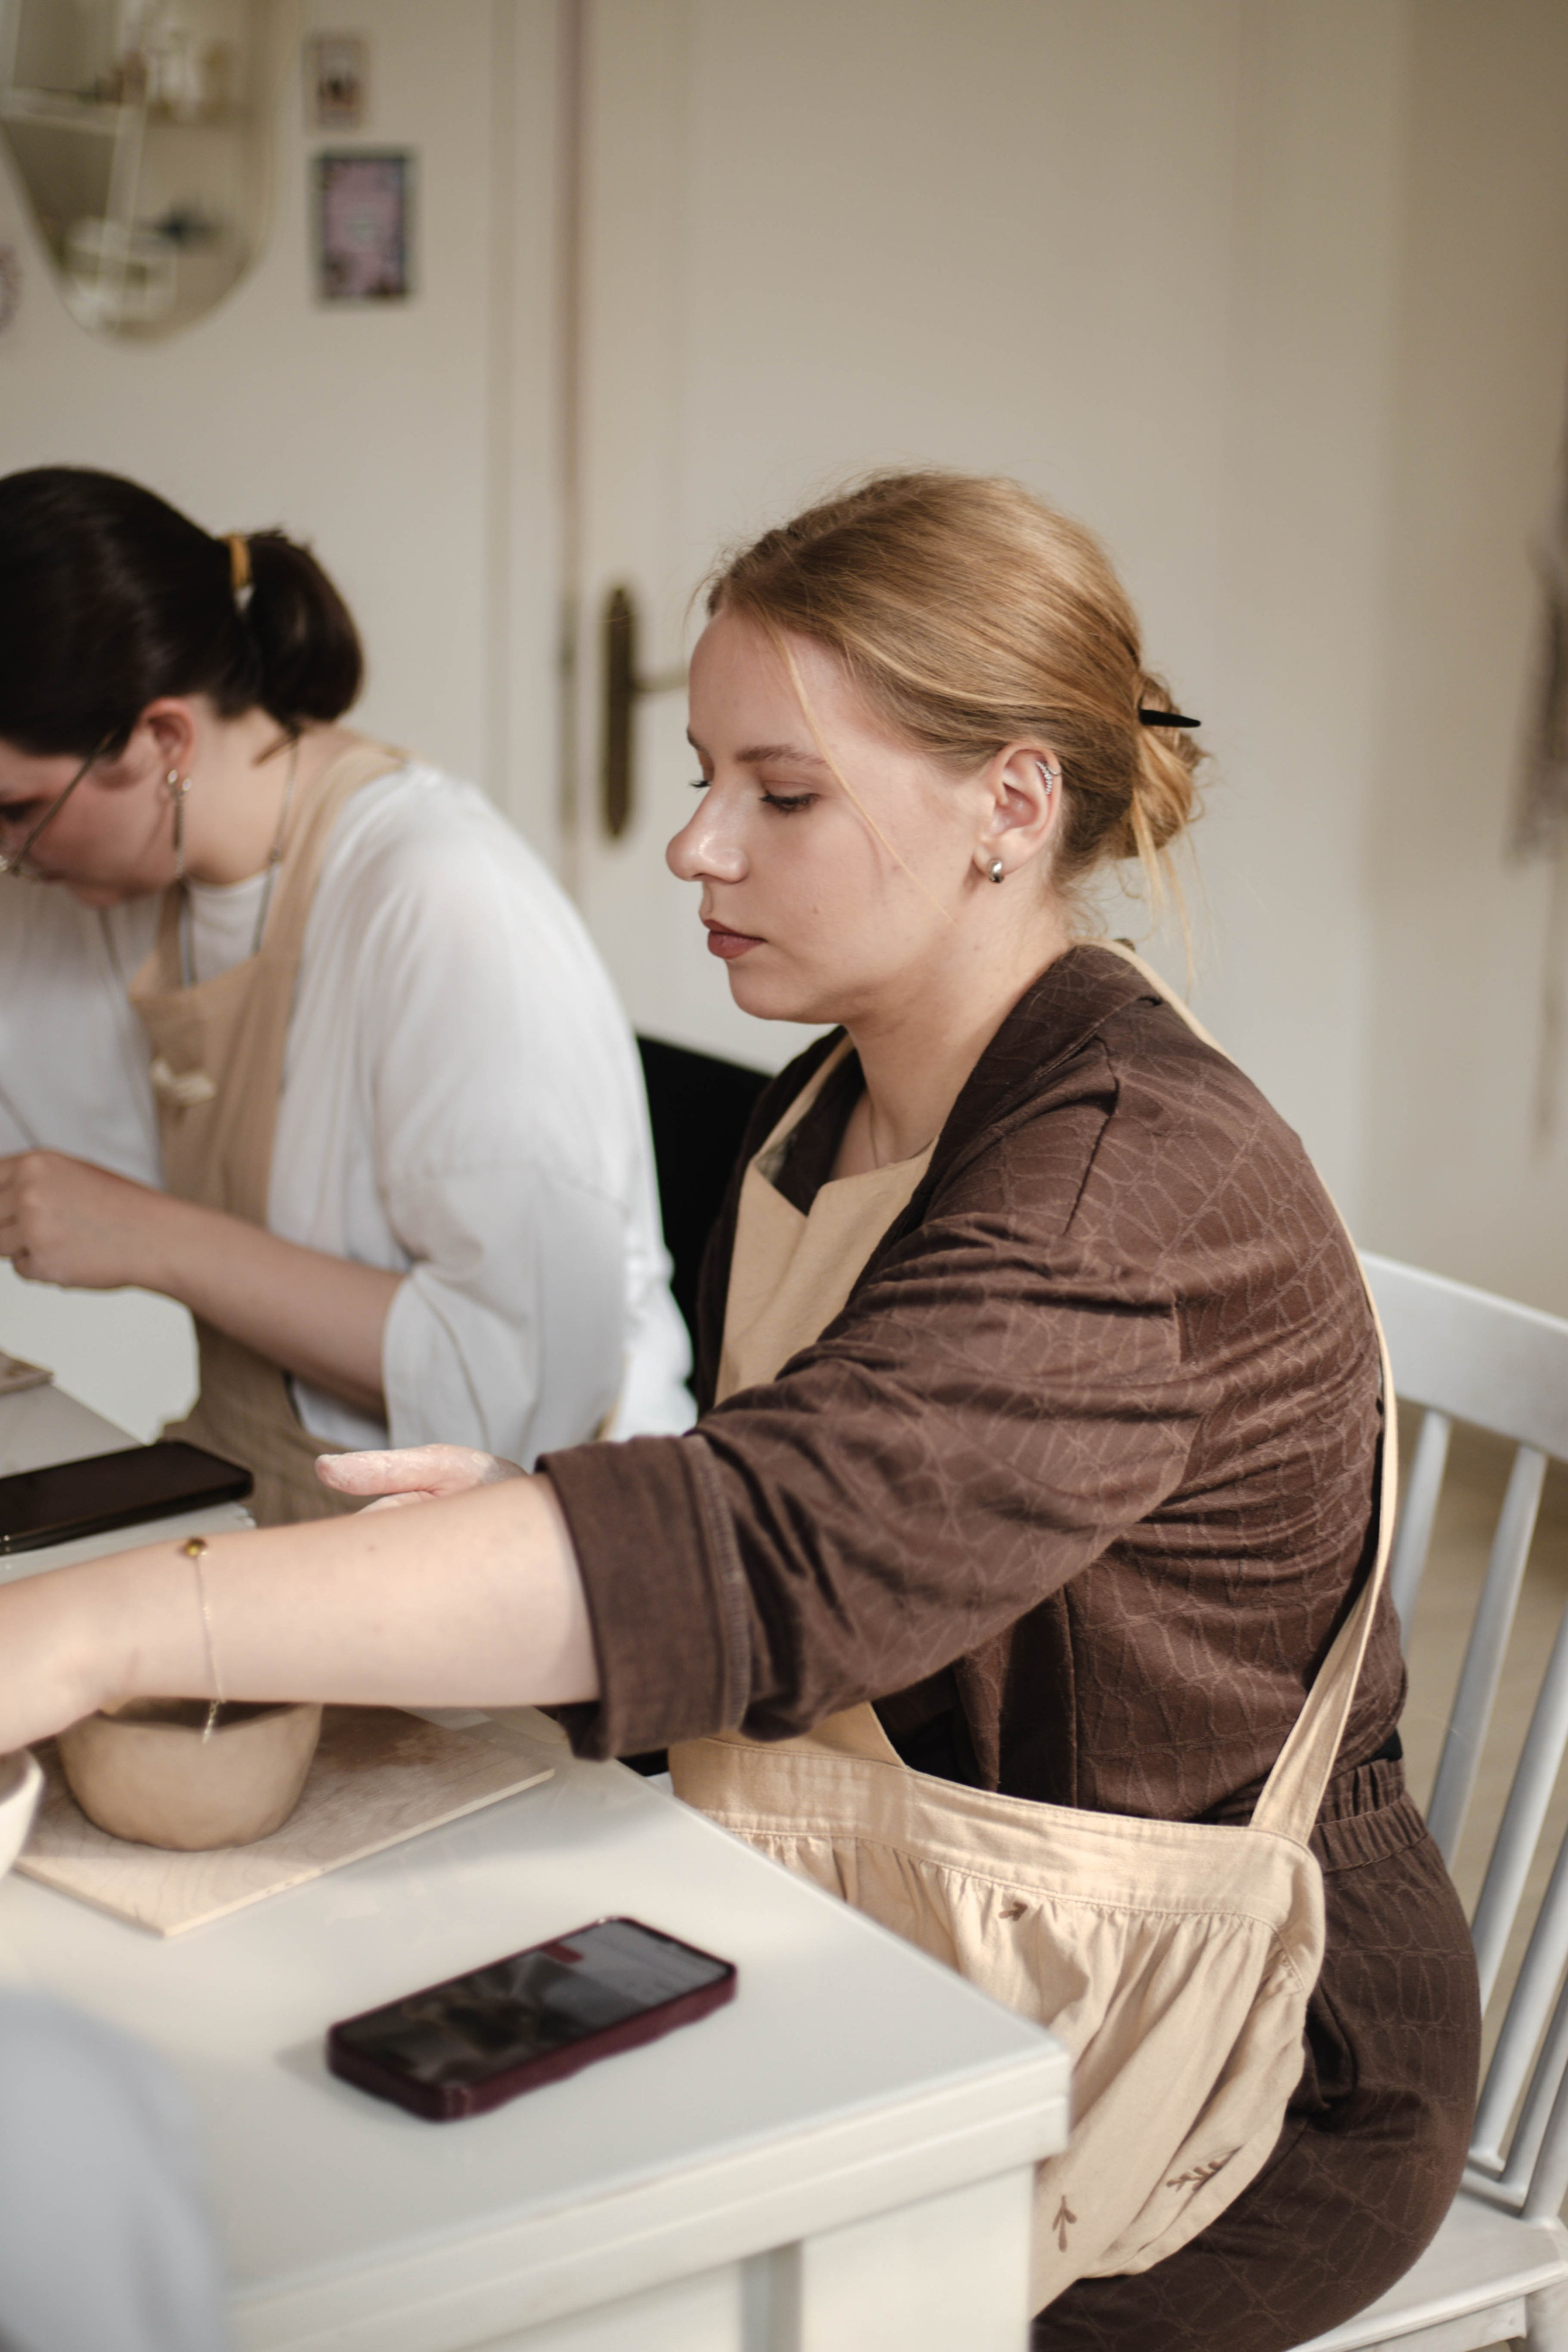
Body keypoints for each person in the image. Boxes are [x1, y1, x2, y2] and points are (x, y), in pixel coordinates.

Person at [0, 472, 1479, 2347]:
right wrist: (543, 1516)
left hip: (1239, 2067)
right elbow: (827, 1509)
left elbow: (760, 1554)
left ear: (1010, 809)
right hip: (913, 1918)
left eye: (779, 796)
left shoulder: (1125, 1189)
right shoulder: (834, 1103)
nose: (695, 849)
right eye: (707, 776)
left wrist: (85, 1629)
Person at [0, 469, 690, 1523]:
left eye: (15, 811)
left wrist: (153, 1236)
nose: (9, 855)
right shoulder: (123, 869)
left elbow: (522, 1384)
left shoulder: (444, 901)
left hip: (522, 1551)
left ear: (163, 743)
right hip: (261, 1489)